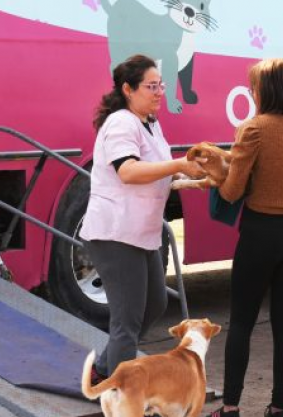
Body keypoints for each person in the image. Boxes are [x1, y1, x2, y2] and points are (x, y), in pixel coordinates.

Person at [207, 58, 283, 417]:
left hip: (262, 230)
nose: (252, 94)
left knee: (243, 320)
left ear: (266, 91)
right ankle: (279, 407)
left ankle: (230, 407)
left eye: (253, 89)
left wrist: (219, 172)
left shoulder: (254, 129)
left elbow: (232, 192)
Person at [79, 54, 205, 383]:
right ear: (128, 89)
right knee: (128, 322)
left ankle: (104, 369)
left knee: (156, 304)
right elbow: (130, 171)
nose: (159, 91)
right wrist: (178, 165)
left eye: (160, 84)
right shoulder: (122, 122)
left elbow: (155, 174)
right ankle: (116, 394)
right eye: (151, 86)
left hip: (142, 232)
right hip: (116, 234)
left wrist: (194, 180)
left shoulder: (149, 121)